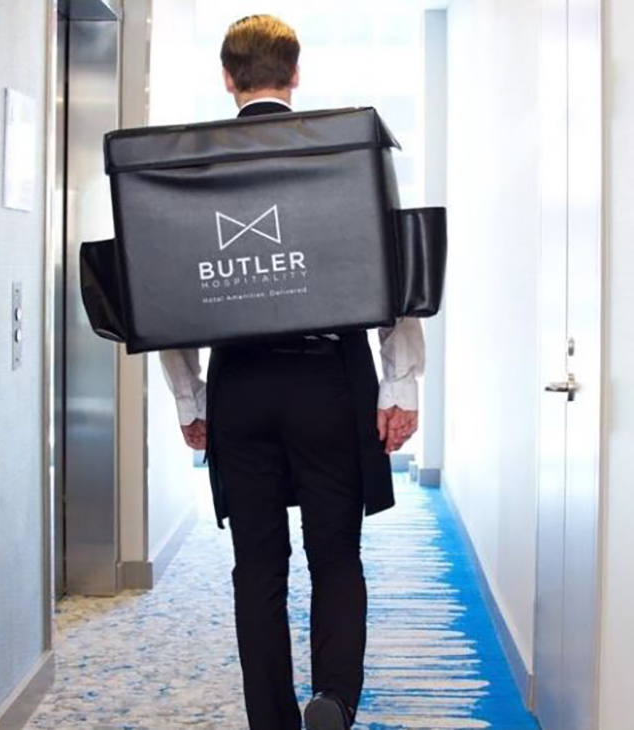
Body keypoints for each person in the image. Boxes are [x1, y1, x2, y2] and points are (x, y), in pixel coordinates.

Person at [159, 14, 425, 730]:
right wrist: (402, 386)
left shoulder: (188, 167)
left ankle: (270, 721)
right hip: (328, 381)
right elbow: (393, 268)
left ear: (227, 78)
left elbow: (167, 292)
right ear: (295, 75)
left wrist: (190, 398)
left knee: (259, 570)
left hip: (241, 384)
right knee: (335, 555)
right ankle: (334, 699)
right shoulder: (339, 156)